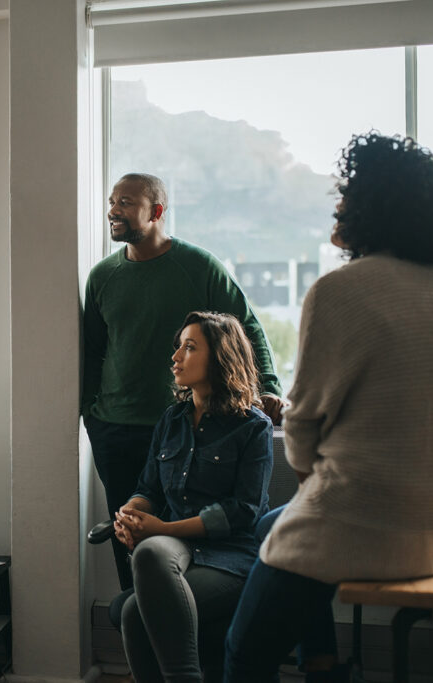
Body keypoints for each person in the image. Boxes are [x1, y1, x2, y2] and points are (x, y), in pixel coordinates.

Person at [223, 132, 433, 683]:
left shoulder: (339, 290)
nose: (338, 212)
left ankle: (316, 664)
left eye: (346, 197)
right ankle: (321, 661)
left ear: (375, 207)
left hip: (361, 528)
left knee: (243, 653)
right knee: (269, 527)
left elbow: (300, 432)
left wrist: (321, 484)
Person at [83, 172, 283, 590]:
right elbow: (91, 351)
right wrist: (91, 416)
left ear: (156, 212)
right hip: (115, 429)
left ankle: (188, 622)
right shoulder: (102, 276)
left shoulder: (199, 267)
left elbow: (246, 328)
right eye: (112, 201)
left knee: (184, 539)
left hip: (187, 427)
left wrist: (269, 389)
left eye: (126, 203)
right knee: (131, 538)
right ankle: (139, 626)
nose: (113, 211)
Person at [113, 311, 273, 683]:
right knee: (151, 550)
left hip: (231, 556)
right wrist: (132, 514)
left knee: (134, 612)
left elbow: (244, 511)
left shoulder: (253, 427)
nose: (176, 357)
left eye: (189, 347)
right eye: (178, 347)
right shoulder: (172, 420)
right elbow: (149, 488)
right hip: (176, 547)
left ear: (220, 356)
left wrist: (163, 527)